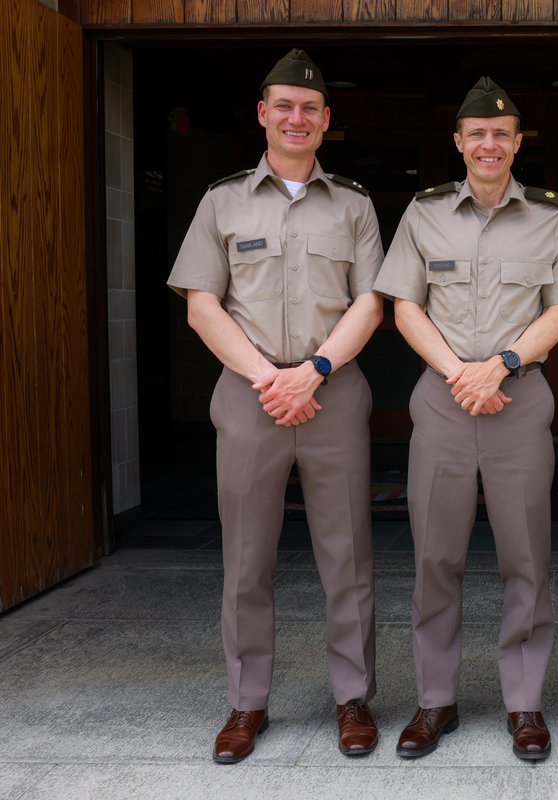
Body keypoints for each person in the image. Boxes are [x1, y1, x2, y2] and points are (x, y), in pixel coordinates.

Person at [167, 49, 384, 763]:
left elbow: (371, 303)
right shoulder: (221, 201)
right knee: (246, 557)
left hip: (334, 392)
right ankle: (246, 703)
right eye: (283, 105)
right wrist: (270, 378)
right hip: (249, 393)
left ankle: (352, 698)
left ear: (327, 121)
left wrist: (314, 371)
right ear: (263, 114)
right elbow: (202, 306)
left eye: (310, 108)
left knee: (346, 553)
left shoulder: (353, 204)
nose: (297, 118)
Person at [373, 77, 558, 762]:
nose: (488, 144)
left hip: (519, 399)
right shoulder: (423, 211)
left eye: (501, 134)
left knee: (526, 556)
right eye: (476, 134)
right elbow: (404, 305)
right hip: (442, 396)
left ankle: (524, 704)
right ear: (458, 143)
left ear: (517, 143)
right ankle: (435, 700)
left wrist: (503, 364)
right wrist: (462, 373)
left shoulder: (551, 215)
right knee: (437, 556)